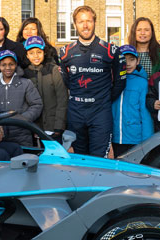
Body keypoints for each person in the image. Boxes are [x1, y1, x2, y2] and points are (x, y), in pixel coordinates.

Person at [59, 5, 126, 157]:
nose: (85, 25)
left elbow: (120, 82)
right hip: (76, 112)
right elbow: (67, 81)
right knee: (79, 161)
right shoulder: (65, 53)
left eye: (89, 21)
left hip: (100, 112)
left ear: (95, 22)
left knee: (100, 161)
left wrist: (103, 99)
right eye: (81, 21)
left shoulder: (111, 51)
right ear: (75, 24)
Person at [0, 50, 43, 147]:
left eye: (11, 64)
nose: (8, 68)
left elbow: (37, 104)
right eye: (3, 65)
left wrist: (22, 119)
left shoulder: (26, 83)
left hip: (21, 133)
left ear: (16, 65)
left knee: (23, 159)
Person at [23, 36, 68, 143]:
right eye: (31, 53)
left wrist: (59, 126)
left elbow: (62, 99)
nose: (36, 56)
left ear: (44, 52)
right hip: (34, 127)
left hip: (52, 126)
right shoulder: (24, 74)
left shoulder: (54, 70)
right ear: (27, 55)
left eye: (39, 52)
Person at [111, 45, 153, 157]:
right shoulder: (113, 80)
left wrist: (147, 140)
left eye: (132, 59)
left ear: (137, 60)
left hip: (135, 137)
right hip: (116, 137)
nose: (128, 63)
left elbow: (145, 114)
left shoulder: (142, 83)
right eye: (124, 59)